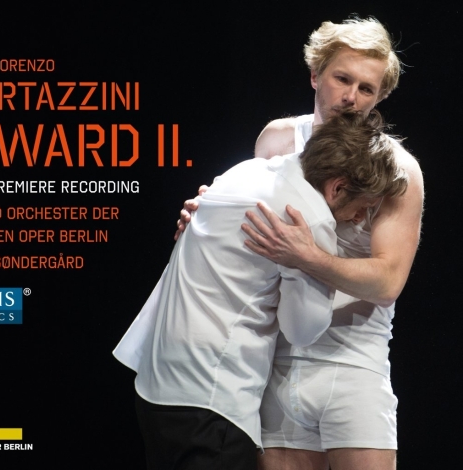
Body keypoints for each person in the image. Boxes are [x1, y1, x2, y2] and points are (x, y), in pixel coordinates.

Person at [175, 17, 424, 470]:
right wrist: (203, 218)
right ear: (315, 75)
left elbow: (388, 280)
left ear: (380, 97)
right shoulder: (277, 139)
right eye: (342, 79)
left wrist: (308, 257)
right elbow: (249, 227)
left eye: (366, 89)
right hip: (275, 361)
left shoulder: (398, 169)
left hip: (354, 362)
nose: (351, 97)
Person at [114, 110, 407, 470]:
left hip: (156, 386)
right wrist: (309, 261)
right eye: (364, 207)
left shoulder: (241, 172)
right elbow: (302, 330)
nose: (360, 219)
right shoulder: (309, 220)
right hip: (212, 398)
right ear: (338, 187)